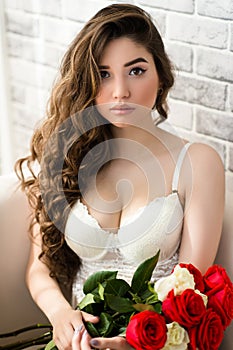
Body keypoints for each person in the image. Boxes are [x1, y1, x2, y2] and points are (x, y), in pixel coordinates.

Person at [15, 3, 225, 350]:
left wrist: (127, 343)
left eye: (136, 71)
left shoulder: (197, 163)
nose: (120, 91)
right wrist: (60, 315)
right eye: (104, 73)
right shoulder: (70, 158)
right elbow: (39, 268)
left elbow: (191, 285)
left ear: (161, 76)